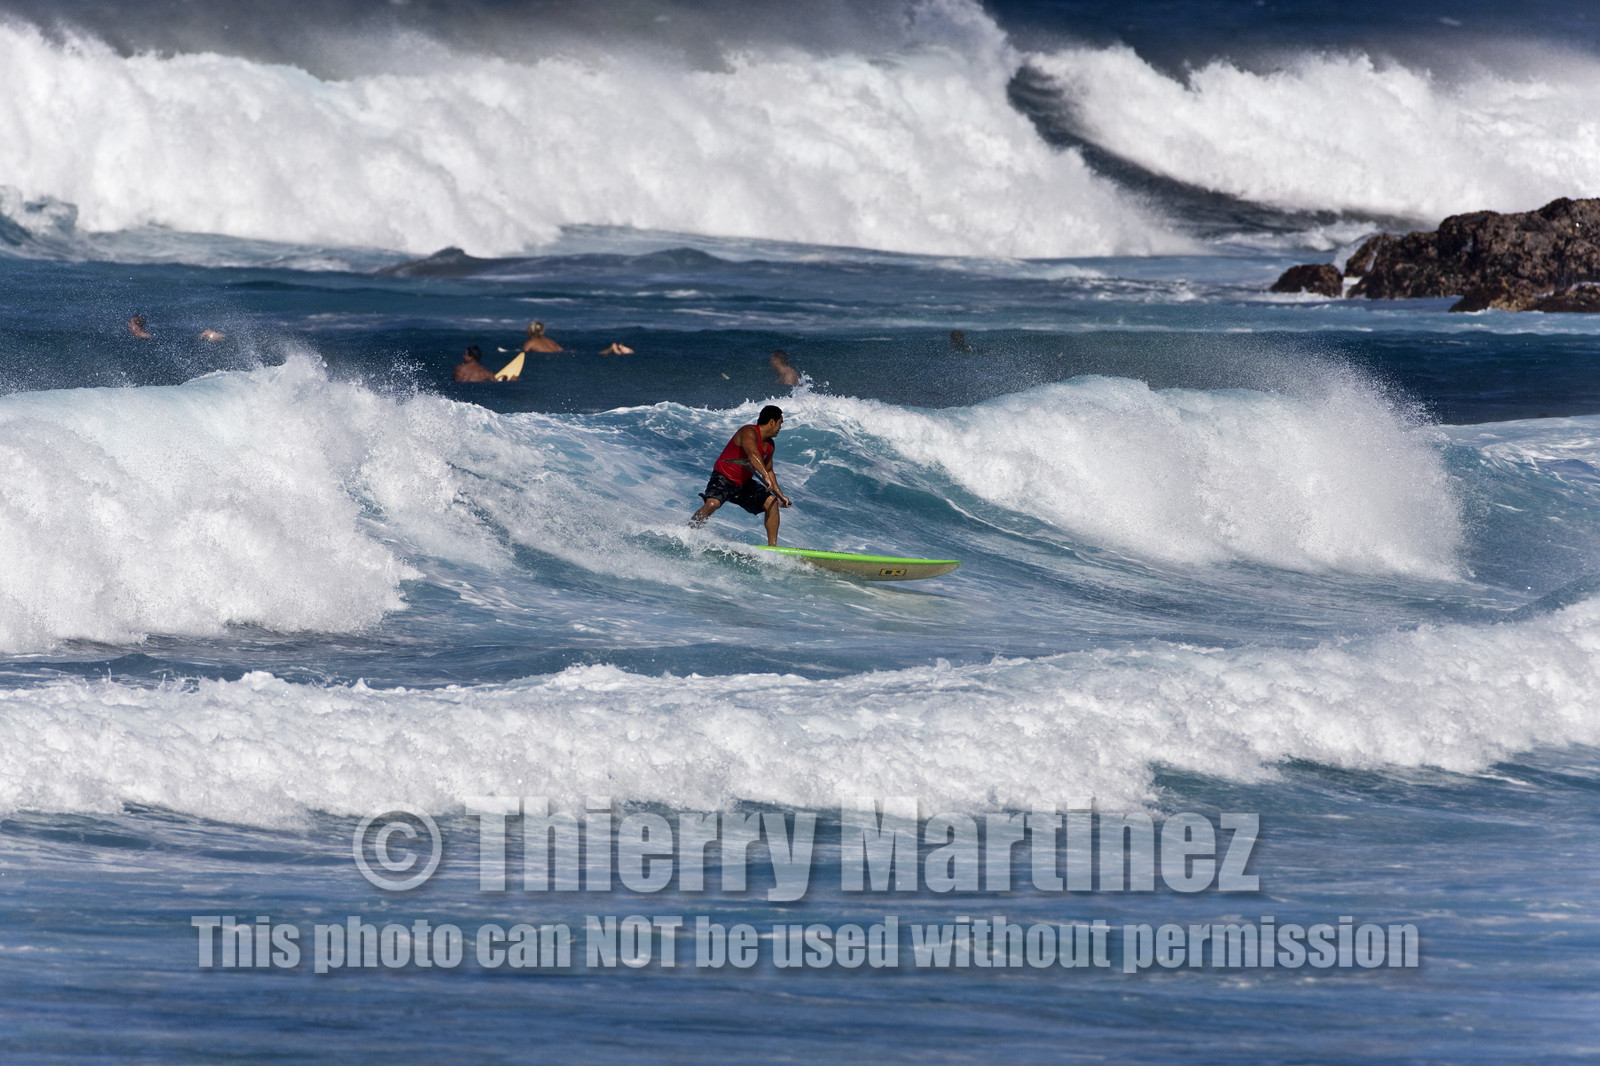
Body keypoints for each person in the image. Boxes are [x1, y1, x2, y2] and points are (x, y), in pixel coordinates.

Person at [690, 405, 791, 546]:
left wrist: (780, 494)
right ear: (772, 422)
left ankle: (773, 548)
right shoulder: (748, 431)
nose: (780, 427)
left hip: (744, 483)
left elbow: (769, 470)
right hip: (723, 477)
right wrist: (765, 476)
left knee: (772, 501)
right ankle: (689, 531)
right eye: (780, 423)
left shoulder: (770, 445)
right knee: (712, 504)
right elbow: (753, 455)